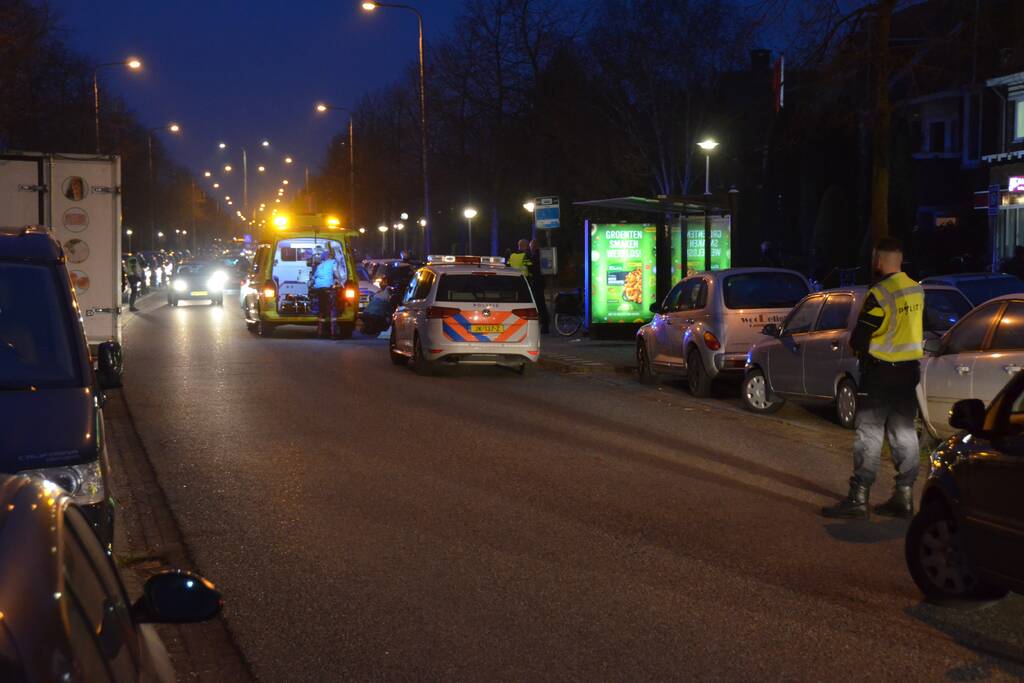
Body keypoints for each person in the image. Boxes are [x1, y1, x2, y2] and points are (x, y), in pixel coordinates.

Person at [823, 237, 924, 519]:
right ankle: (904, 497)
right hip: (908, 373)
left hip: (880, 373)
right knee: (904, 433)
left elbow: (861, 337)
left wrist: (857, 345)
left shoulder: (879, 294)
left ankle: (858, 499)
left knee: (869, 434)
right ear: (900, 259)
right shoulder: (916, 290)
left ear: (878, 261)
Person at [310, 248, 340, 338]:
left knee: (322, 310)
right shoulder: (333, 262)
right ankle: (333, 333)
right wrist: (339, 280)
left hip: (319, 289)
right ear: (331, 256)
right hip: (328, 288)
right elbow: (336, 272)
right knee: (332, 310)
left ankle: (320, 332)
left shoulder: (320, 266)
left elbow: (313, 278)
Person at [528, 239, 550, 334]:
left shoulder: (535, 256)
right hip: (540, 282)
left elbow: (533, 269)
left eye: (531, 247)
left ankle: (544, 325)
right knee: (541, 304)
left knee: (540, 305)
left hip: (537, 283)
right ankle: (545, 324)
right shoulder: (541, 255)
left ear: (534, 246)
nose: (531, 248)